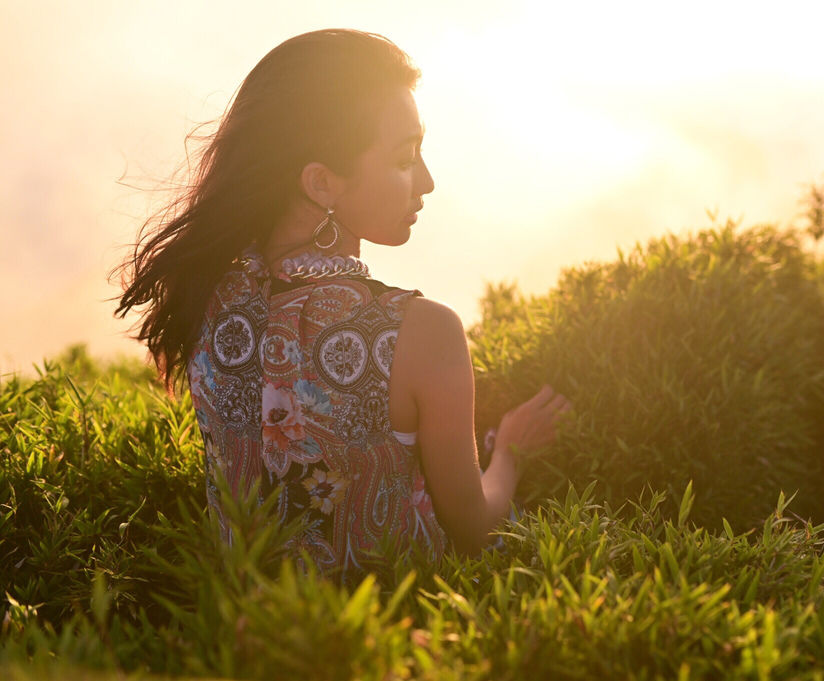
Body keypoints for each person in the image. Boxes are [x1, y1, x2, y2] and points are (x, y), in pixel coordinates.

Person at [115, 29, 571, 582]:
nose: (426, 181)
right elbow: (477, 529)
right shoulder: (422, 332)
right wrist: (511, 455)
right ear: (321, 183)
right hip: (393, 645)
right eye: (405, 158)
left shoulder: (206, 301)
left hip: (246, 636)